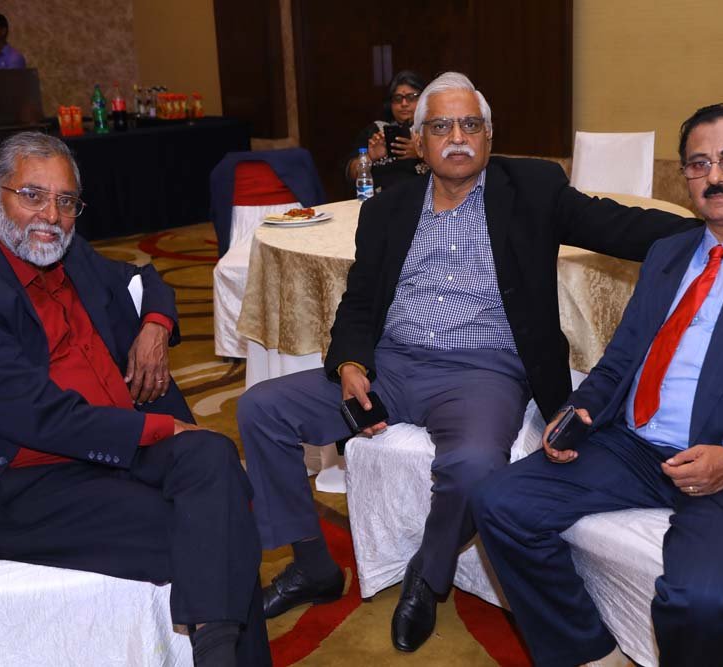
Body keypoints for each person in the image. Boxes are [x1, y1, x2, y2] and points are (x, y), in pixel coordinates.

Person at [238, 72, 698, 653]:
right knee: (261, 410)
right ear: (419, 141)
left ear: (488, 134)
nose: (457, 137)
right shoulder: (388, 206)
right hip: (392, 365)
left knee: (477, 465)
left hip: (485, 371)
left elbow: (622, 225)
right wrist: (351, 361)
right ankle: (312, 564)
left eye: (470, 124)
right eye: (441, 127)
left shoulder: (531, 188)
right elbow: (358, 301)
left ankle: (428, 576)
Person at [471, 104, 723, 667]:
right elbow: (622, 359)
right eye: (698, 163)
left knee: (702, 601)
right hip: (636, 447)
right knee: (497, 502)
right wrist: (584, 408)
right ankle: (587, 653)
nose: (715, 176)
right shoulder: (669, 252)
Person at [0, 132, 269, 667]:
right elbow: (41, 416)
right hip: (29, 486)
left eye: (66, 201)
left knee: (215, 457)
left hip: (116, 446)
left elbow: (146, 279)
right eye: (32, 195)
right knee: (216, 529)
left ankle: (215, 653)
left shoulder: (69, 252)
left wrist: (155, 326)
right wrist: (160, 429)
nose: (51, 216)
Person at [344, 70, 429, 192]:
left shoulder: (433, 130)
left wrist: (420, 153)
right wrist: (370, 157)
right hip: (379, 199)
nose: (404, 103)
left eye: (411, 97)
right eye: (397, 98)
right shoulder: (375, 131)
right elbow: (351, 175)